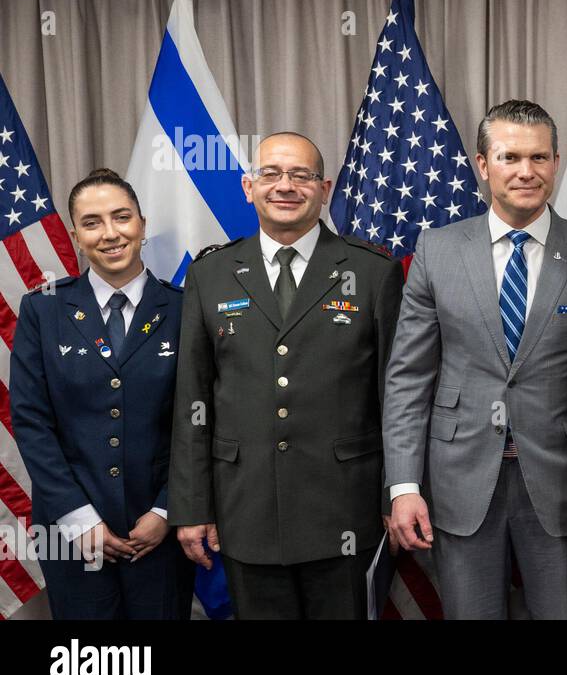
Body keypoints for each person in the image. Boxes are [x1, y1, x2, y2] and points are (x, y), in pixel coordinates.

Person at [384, 100, 567, 619]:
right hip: (458, 481)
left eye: (539, 158)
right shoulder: (437, 249)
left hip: (562, 482)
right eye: (510, 156)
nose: (525, 171)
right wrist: (403, 486)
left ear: (556, 163)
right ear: (483, 163)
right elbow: (408, 379)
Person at [168, 132, 403, 619]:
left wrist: (395, 491)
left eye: (301, 175)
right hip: (245, 509)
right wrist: (191, 507)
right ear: (248, 186)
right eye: (271, 174)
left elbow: (396, 397)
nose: (286, 186)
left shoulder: (373, 272)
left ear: (325, 187)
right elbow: (193, 398)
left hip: (344, 509)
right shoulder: (210, 275)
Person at [10, 169, 193, 619]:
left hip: (161, 530)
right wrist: (78, 518)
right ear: (75, 235)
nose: (110, 233)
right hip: (71, 532)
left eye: (122, 217)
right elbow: (32, 422)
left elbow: (199, 421)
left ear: (143, 224)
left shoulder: (186, 308)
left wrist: (167, 509)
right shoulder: (44, 309)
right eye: (92, 222)